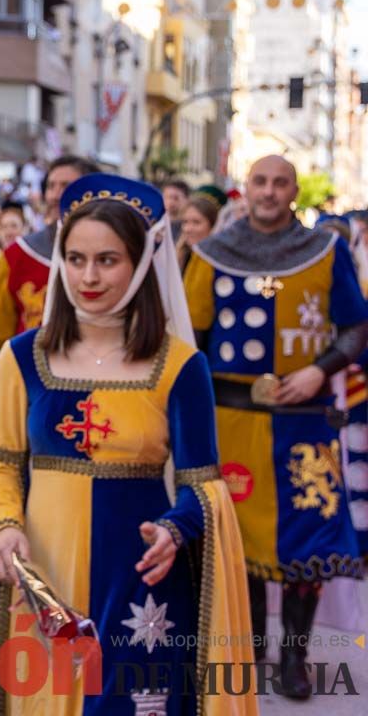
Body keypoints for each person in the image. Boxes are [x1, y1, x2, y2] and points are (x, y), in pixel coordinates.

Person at [0, 173, 257, 716]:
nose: (89, 276)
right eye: (77, 258)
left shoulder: (180, 364)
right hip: (43, 575)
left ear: (139, 266)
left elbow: (204, 484)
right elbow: (3, 466)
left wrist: (176, 529)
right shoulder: (19, 358)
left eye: (108, 260)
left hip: (139, 577)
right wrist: (7, 526)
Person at [183, 154, 368, 699]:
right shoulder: (209, 254)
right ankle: (252, 644)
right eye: (260, 181)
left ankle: (295, 657)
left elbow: (356, 327)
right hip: (232, 417)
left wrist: (319, 370)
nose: (269, 191)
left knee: (305, 537)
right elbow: (189, 338)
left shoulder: (326, 250)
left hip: (304, 418)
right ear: (246, 188)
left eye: (279, 182)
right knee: (240, 537)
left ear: (294, 191)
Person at [0, 156, 100, 422]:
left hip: (97, 386)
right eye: (51, 186)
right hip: (29, 386)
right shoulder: (16, 256)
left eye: (66, 185)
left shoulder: (112, 259)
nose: (56, 195)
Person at [176, 186, 226, 269]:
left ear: (213, 226)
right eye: (185, 222)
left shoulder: (220, 262)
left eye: (196, 222)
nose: (188, 229)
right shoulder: (180, 257)